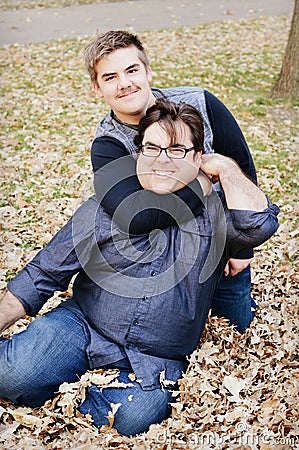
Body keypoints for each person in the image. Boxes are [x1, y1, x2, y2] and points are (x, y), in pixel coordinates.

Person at [0, 99, 279, 436]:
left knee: (131, 418)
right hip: (84, 326)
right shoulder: (108, 208)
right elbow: (42, 274)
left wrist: (227, 169)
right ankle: (48, 376)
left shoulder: (216, 214)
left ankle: (74, 401)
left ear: (197, 157)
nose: (162, 159)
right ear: (139, 155)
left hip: (153, 358)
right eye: (152, 147)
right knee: (13, 374)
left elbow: (259, 225)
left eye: (176, 150)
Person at [84, 30, 258, 334]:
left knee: (235, 331)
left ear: (148, 71)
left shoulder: (200, 102)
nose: (125, 83)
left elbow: (241, 167)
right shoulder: (108, 144)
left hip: (224, 247)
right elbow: (136, 217)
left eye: (132, 70)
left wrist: (242, 247)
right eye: (110, 77)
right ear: (97, 88)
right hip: (164, 266)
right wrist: (204, 177)